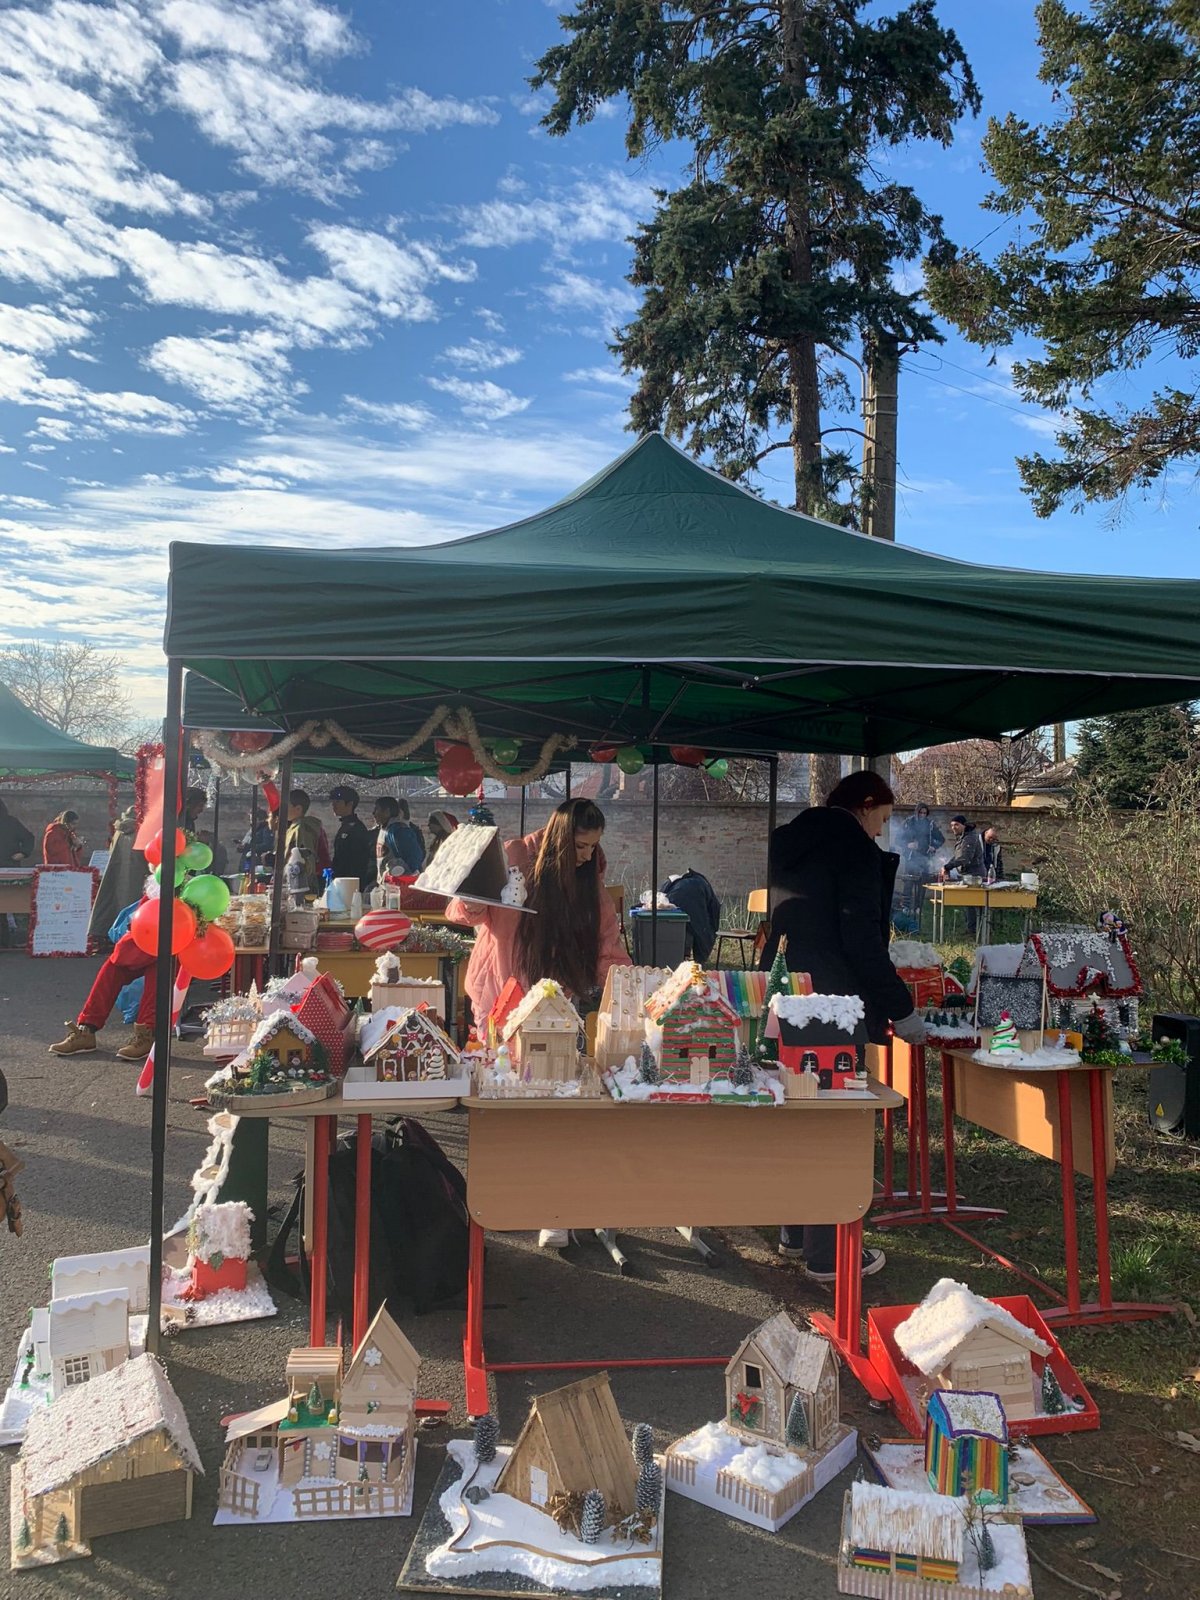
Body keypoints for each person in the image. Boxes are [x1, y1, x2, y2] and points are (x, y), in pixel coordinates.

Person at [762, 770, 926, 1283]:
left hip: (785, 991)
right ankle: (828, 1254)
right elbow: (861, 939)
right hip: (835, 1005)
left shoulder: (793, 841)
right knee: (833, 1122)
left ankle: (795, 1230)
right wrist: (901, 1008)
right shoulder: (853, 848)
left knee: (795, 1115)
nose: (881, 830)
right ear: (866, 805)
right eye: (883, 818)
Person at [447, 798, 631, 1247]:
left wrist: (629, 988)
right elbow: (462, 913)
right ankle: (499, 1203)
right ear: (560, 838)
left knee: (552, 1109)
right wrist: (472, 889)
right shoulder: (513, 856)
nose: (587, 856)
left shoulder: (589, 880)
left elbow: (608, 944)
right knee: (501, 1111)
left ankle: (554, 1211)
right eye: (581, 846)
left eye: (593, 847)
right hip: (497, 1002)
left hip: (553, 1008)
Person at [662, 868, 721, 966]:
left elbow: (662, 894)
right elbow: (707, 928)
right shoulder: (703, 887)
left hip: (672, 898)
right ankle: (686, 958)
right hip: (691, 896)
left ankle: (678, 957)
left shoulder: (682, 881)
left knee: (681, 926)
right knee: (697, 929)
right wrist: (702, 957)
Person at [943, 813, 985, 936]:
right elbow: (957, 856)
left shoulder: (970, 838)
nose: (953, 827)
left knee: (973, 903)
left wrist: (948, 867)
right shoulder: (962, 837)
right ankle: (971, 929)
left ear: (964, 825)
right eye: (952, 825)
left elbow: (965, 858)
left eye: (956, 825)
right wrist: (947, 865)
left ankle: (976, 930)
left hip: (975, 875)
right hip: (967, 875)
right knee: (968, 903)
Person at [0, 799, 34, 949]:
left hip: (10, 868)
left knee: (11, 905)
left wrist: (23, 853)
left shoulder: (11, 822)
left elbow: (28, 838)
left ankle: (10, 939)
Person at [284, 789, 330, 893]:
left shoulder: (303, 828)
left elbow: (306, 859)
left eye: (286, 806)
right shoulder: (295, 826)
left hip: (303, 884)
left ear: (298, 808)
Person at [329, 785, 375, 889]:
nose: (334, 805)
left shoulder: (356, 828)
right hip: (340, 882)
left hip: (351, 884)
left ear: (350, 804)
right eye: (333, 802)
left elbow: (358, 862)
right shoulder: (345, 826)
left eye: (338, 802)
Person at [373, 796, 425, 877]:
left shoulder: (399, 831)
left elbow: (415, 858)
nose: (373, 813)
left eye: (376, 809)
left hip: (399, 882)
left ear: (387, 812)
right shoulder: (384, 829)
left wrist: (402, 873)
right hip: (386, 882)